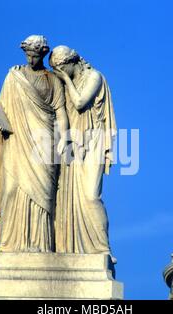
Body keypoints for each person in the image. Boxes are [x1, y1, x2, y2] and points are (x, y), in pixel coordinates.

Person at [0, 35, 68, 253]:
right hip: (16, 140)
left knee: (42, 196)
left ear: (43, 54)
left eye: (35, 55)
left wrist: (65, 139)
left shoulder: (53, 80)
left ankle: (41, 244)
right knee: (11, 190)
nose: (30, 58)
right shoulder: (14, 76)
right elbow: (1, 107)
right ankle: (10, 244)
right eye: (27, 54)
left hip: (44, 141)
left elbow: (60, 112)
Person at [49, 45, 117, 258]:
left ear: (71, 62)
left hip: (93, 140)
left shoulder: (94, 77)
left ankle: (103, 248)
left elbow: (79, 103)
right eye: (55, 69)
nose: (58, 72)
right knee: (66, 197)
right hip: (73, 142)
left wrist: (66, 80)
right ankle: (69, 246)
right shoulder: (62, 81)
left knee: (90, 196)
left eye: (60, 67)